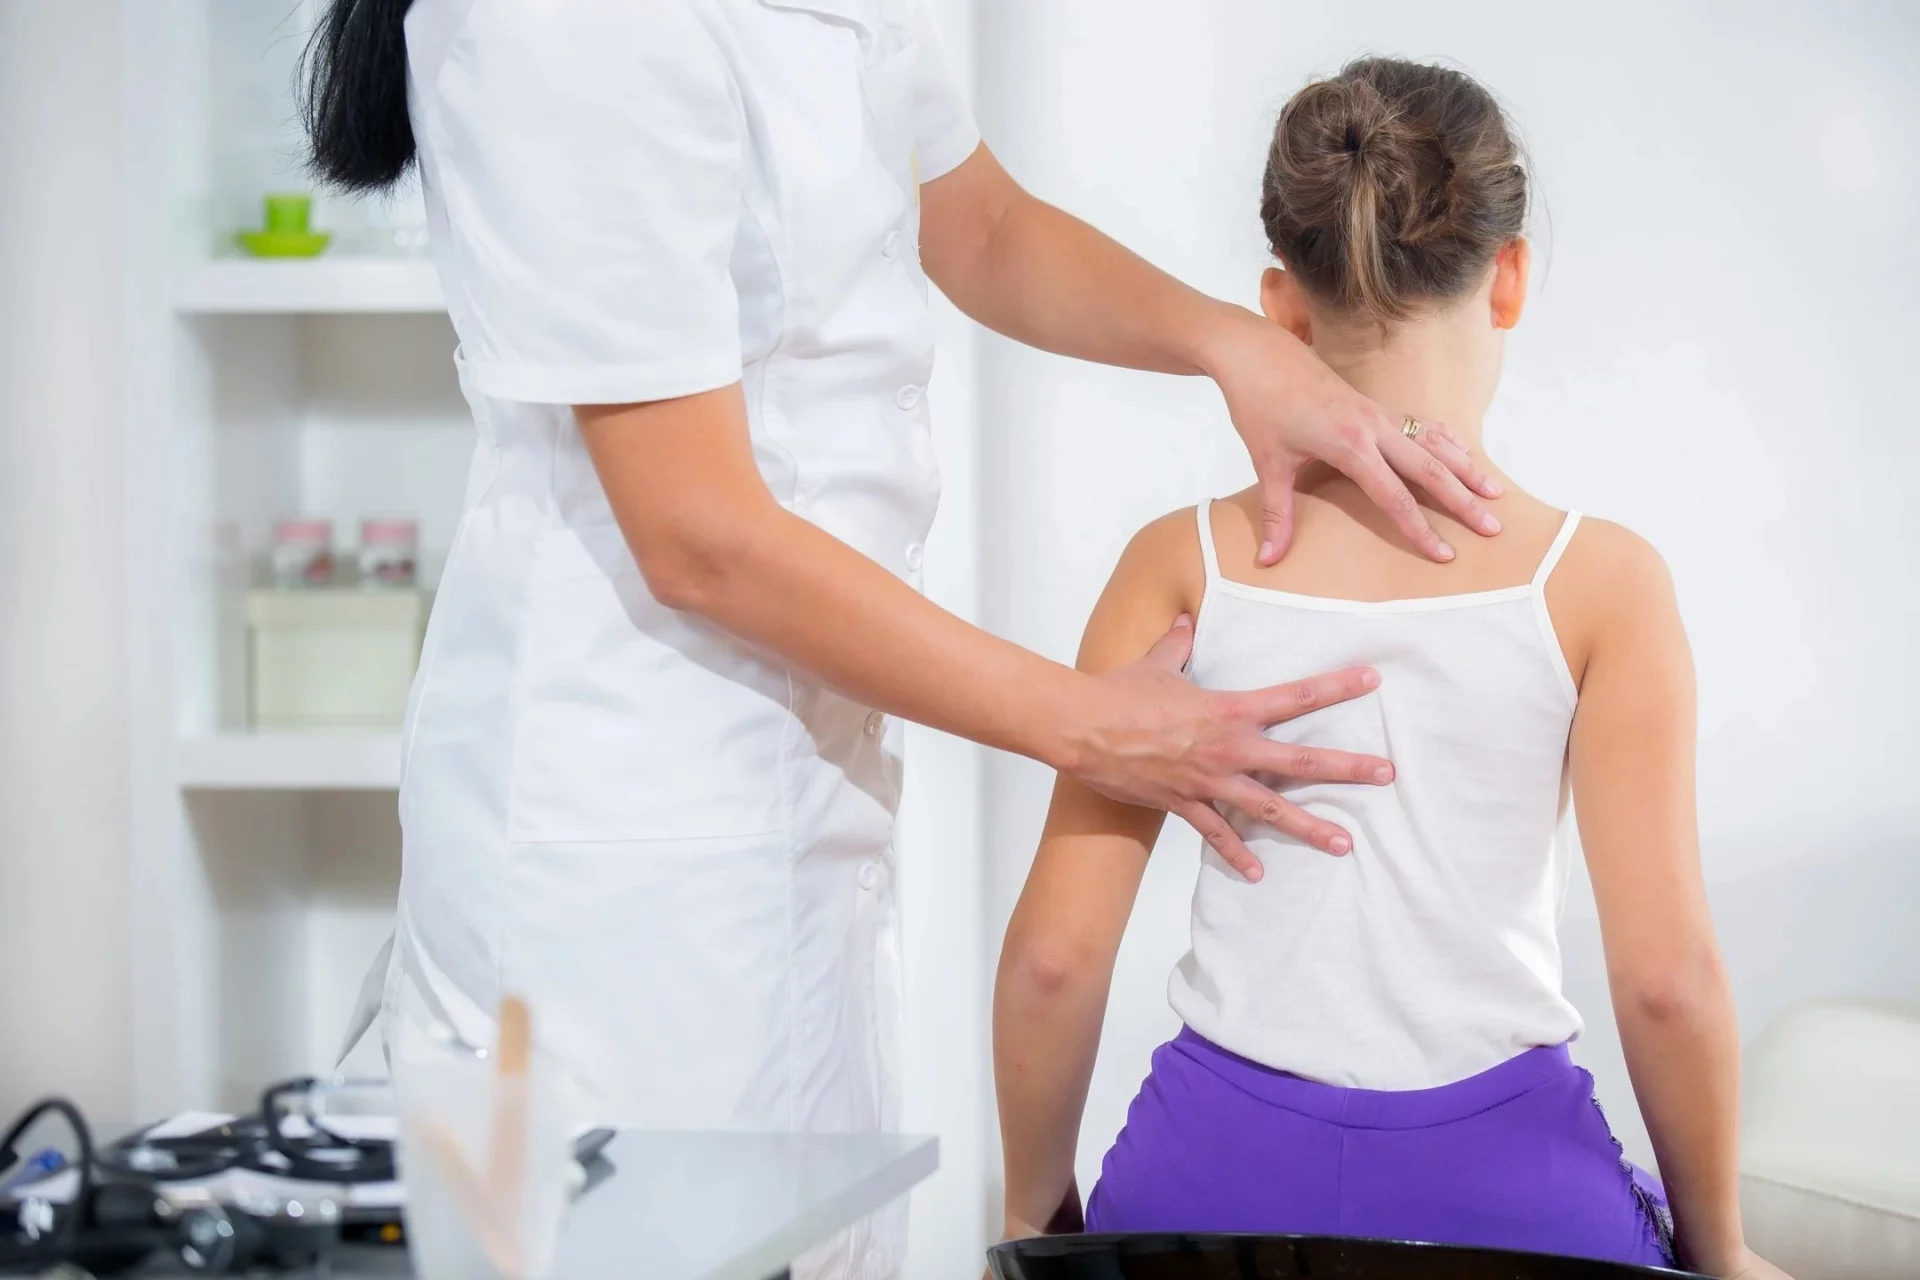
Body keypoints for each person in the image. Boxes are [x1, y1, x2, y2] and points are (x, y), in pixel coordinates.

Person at [303, 3, 1505, 1275]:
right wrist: (1088, 722)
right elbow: (695, 532)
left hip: (799, 813)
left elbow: (977, 223)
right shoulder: (563, 28)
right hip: (612, 838)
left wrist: (1234, 348)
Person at [992, 58, 1790, 1279]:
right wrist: (1722, 1248)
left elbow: (1055, 956)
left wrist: (1035, 1214)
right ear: (1510, 277)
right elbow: (1669, 982)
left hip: (1206, 1183)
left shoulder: (1180, 566)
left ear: (1280, 306)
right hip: (1512, 1196)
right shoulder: (1601, 582)